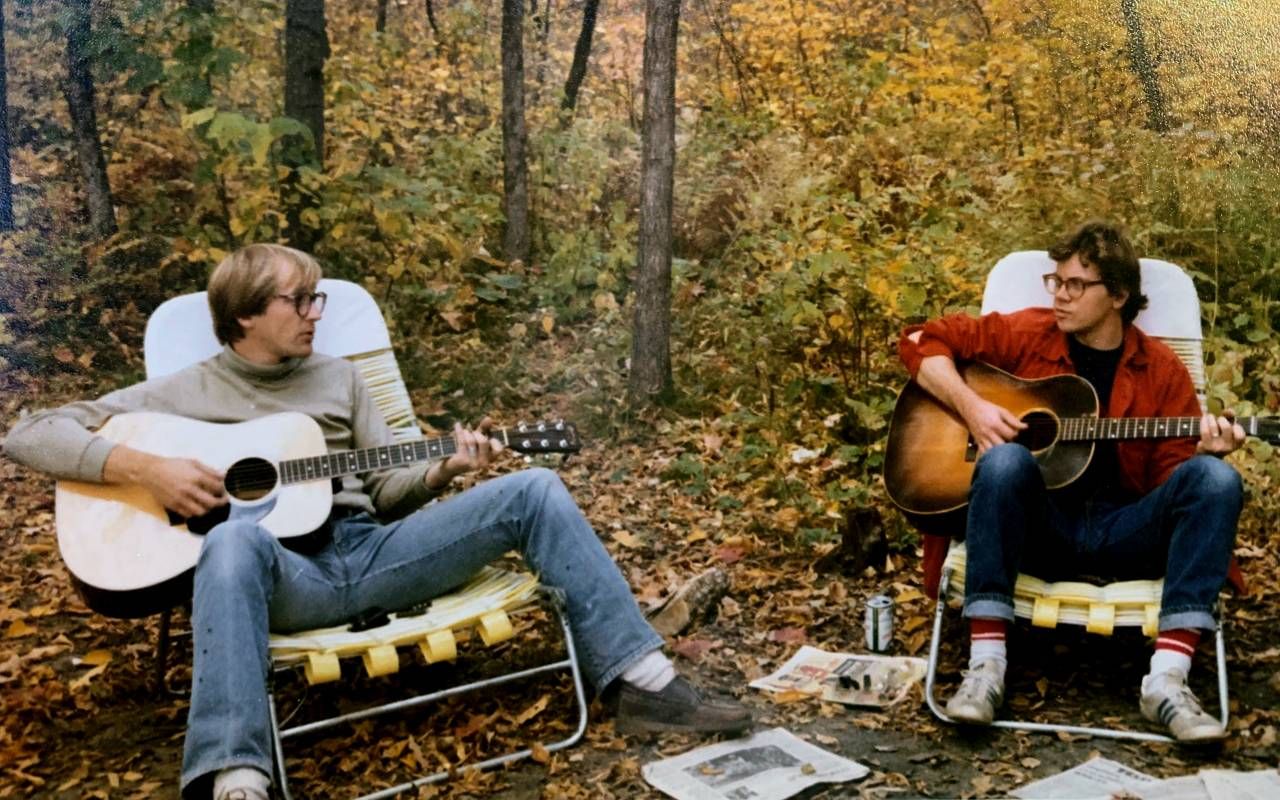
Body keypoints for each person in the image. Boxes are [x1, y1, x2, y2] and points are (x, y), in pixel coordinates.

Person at [3, 244, 752, 800]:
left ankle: (644, 680)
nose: (314, 315)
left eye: (318, 299)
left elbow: (385, 489)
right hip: (280, 577)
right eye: (299, 301)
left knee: (536, 487)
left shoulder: (339, 376)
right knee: (232, 537)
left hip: (373, 552)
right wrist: (146, 469)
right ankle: (235, 775)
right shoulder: (180, 391)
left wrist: (443, 469)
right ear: (244, 317)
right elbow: (28, 432)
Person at [897, 220, 1245, 743]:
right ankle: (986, 668)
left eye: (1076, 285)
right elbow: (920, 340)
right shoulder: (1028, 334)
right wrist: (973, 410)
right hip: (1039, 532)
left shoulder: (1163, 370)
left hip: (1126, 533)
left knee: (1215, 480)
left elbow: (1173, 488)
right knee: (1004, 460)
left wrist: (1200, 453)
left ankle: (1168, 681)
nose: (1059, 295)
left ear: (1119, 296)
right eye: (1055, 281)